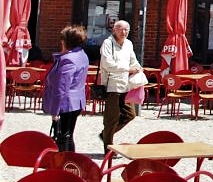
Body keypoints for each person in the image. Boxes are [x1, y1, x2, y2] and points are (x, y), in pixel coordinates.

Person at [41, 24, 89, 152]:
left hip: (66, 103)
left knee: (63, 137)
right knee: (68, 135)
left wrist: (55, 112)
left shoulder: (68, 59)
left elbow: (61, 87)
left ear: (65, 41)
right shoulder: (81, 54)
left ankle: (65, 164)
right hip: (76, 101)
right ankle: (69, 163)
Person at [98, 20, 142, 152]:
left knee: (130, 114)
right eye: (121, 29)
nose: (124, 32)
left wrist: (138, 68)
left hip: (126, 85)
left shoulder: (128, 44)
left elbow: (133, 60)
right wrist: (127, 69)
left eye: (126, 30)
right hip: (112, 85)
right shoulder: (108, 43)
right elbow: (107, 64)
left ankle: (105, 134)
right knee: (111, 118)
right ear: (114, 30)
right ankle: (108, 147)